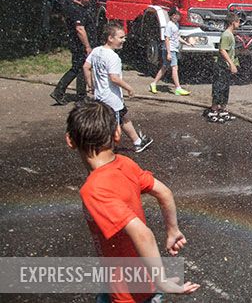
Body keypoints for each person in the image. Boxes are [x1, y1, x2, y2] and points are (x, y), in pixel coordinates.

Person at [66, 100, 200, 302]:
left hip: (128, 294)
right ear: (117, 135)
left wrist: (162, 280)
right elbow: (164, 192)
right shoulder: (125, 164)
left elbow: (142, 234)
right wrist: (172, 230)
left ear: (70, 140)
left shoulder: (93, 190)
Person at [83, 21, 153, 153]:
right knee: (112, 127)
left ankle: (137, 142)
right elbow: (114, 78)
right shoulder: (113, 57)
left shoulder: (97, 51)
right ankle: (105, 151)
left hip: (100, 96)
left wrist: (90, 85)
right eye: (121, 37)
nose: (124, 40)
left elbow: (86, 67)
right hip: (111, 98)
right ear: (110, 38)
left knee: (122, 117)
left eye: (124, 37)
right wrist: (129, 88)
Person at [51, 0, 96, 105]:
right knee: (78, 69)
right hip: (79, 45)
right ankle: (62, 93)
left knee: (80, 69)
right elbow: (80, 29)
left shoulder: (77, 8)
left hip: (78, 44)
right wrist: (87, 46)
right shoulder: (77, 10)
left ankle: (79, 95)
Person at [206, 13, 241, 123]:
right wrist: (231, 64)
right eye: (238, 22)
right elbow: (222, 50)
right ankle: (214, 110)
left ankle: (223, 109)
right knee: (219, 88)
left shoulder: (231, 35)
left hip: (225, 67)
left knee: (225, 88)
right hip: (221, 66)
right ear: (232, 23)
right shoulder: (226, 35)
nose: (239, 24)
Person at [148, 7, 192, 96]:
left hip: (173, 49)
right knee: (175, 68)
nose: (178, 16)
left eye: (178, 15)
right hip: (170, 49)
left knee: (164, 67)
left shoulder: (176, 25)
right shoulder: (169, 25)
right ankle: (178, 88)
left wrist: (186, 43)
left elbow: (177, 36)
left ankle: (153, 83)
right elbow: (167, 39)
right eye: (176, 15)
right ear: (172, 16)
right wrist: (168, 52)